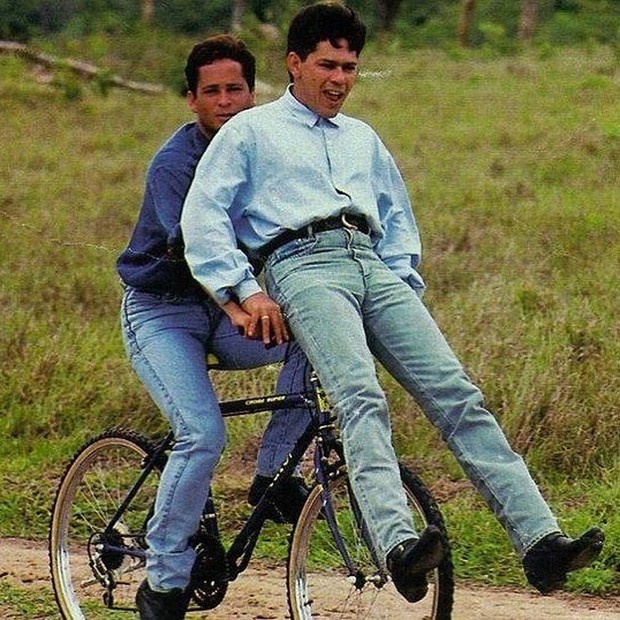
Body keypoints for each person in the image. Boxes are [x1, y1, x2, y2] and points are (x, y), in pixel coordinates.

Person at [180, 2, 605, 606]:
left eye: (350, 68)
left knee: (457, 394)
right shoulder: (251, 131)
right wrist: (243, 290)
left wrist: (401, 282)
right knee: (360, 396)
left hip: (373, 266)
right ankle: (396, 546)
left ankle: (541, 541)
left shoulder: (363, 139)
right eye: (327, 65)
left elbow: (398, 221)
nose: (339, 80)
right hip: (300, 265)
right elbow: (203, 218)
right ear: (294, 63)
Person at [117, 35, 310, 620]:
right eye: (212, 91)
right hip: (164, 309)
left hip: (230, 305)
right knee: (202, 434)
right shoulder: (174, 164)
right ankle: (163, 583)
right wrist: (240, 305)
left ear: (254, 94)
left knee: (312, 337)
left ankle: (272, 477)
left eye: (236, 89)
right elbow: (195, 250)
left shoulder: (265, 151)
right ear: (191, 100)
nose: (226, 101)